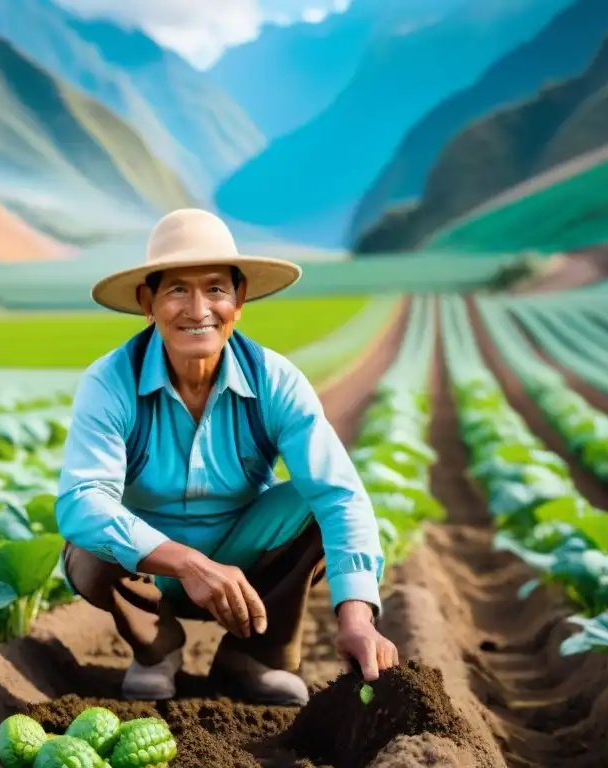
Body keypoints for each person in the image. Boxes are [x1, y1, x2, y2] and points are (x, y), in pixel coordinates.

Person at [54, 208, 398, 704]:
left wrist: (357, 618)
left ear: (239, 301)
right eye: (176, 290)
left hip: (247, 566)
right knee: (87, 544)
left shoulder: (275, 381)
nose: (198, 310)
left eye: (216, 289)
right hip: (150, 572)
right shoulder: (111, 381)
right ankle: (156, 647)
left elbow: (340, 496)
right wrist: (190, 564)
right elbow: (81, 501)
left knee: (316, 501)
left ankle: (256, 655)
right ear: (147, 301)